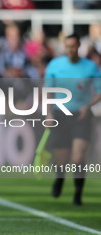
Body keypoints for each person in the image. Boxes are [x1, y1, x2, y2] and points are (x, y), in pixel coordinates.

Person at [44, 33, 101, 206]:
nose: (70, 49)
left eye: (73, 46)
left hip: (81, 115)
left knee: (77, 157)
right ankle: (59, 179)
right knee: (61, 158)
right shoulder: (55, 65)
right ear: (64, 47)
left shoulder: (90, 67)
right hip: (60, 114)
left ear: (78, 46)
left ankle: (78, 193)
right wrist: (48, 114)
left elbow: (99, 91)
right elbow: (48, 92)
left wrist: (88, 105)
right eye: (67, 46)